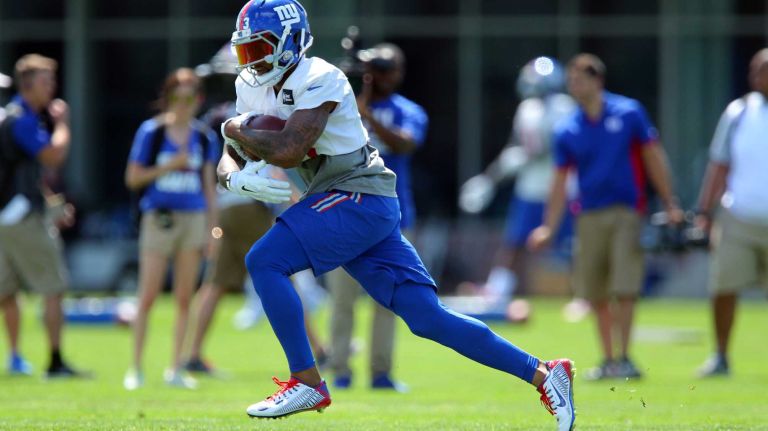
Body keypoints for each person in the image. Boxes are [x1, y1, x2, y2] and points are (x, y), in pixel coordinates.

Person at [219, 1, 575, 429]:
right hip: (352, 202)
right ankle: (544, 372)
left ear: (289, 42)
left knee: (265, 259)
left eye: (259, 48)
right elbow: (232, 154)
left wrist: (233, 129)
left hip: (356, 194)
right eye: (245, 52)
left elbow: (288, 148)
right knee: (427, 317)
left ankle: (307, 380)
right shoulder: (251, 84)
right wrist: (233, 178)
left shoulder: (320, 77)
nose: (252, 61)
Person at [528, 54, 682, 380]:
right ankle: (608, 359)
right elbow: (559, 182)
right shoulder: (568, 128)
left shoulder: (628, 113)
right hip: (588, 216)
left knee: (624, 286)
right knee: (595, 290)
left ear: (598, 80)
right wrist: (548, 226)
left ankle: (625, 357)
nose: (575, 86)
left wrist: (670, 202)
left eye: (580, 80)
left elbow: (652, 156)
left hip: (627, 211)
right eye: (571, 81)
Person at [185, 48, 328, 373]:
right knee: (282, 274)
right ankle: (320, 350)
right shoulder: (250, 114)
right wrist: (294, 196)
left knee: (216, 283)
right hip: (250, 204)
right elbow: (272, 162)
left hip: (225, 206)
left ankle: (192, 354)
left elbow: (211, 171)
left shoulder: (209, 119)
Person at [325, 42, 426, 391]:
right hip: (344, 216)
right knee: (342, 301)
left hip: (392, 219)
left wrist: (368, 114)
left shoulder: (407, 110)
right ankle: (339, 370)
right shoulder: (343, 108)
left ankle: (381, 373)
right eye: (376, 70)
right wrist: (358, 107)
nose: (381, 77)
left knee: (388, 300)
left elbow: (405, 144)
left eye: (387, 70)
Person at [123, 67, 220, 390]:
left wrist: (213, 230)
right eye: (176, 98)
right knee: (147, 295)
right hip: (158, 218)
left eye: (189, 98)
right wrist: (168, 166)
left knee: (183, 298)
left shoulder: (204, 137)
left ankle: (175, 368)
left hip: (192, 220)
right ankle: (135, 367)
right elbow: (133, 178)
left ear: (198, 100)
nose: (182, 104)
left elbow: (209, 187)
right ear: (167, 99)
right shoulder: (151, 133)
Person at [459, 57, 577, 312]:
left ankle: (584, 295)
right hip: (530, 187)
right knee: (514, 242)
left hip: (560, 186)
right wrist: (488, 179)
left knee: (572, 244)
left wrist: (523, 157)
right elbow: (515, 146)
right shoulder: (527, 109)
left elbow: (548, 147)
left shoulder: (564, 109)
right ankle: (497, 291)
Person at [0, 54, 85, 378]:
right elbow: (53, 155)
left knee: (5, 292)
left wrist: (50, 202)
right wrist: (63, 122)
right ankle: (55, 362)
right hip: (20, 218)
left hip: (8, 215)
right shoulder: (21, 118)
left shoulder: (15, 117)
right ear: (27, 85)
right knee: (54, 286)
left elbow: (19, 173)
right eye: (46, 81)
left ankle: (16, 357)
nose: (52, 88)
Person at [694, 48, 768, 377]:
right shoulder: (738, 112)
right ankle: (721, 355)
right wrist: (704, 211)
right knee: (723, 287)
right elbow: (719, 164)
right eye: (757, 69)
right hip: (738, 216)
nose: (760, 76)